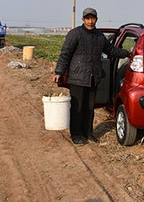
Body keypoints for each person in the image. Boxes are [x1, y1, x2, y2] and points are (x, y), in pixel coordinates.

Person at [53, 8, 131, 146]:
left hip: (93, 77)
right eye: (87, 18)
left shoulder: (99, 36)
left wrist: (127, 53)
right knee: (77, 107)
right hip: (77, 77)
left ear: (96, 19)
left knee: (89, 108)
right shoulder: (75, 34)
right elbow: (65, 53)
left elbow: (110, 50)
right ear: (83, 20)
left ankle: (88, 133)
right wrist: (59, 72)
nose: (90, 21)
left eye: (92, 18)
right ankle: (76, 135)